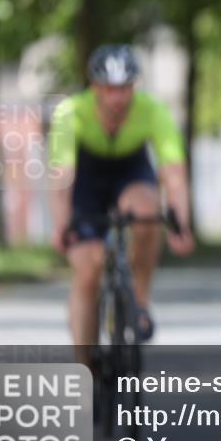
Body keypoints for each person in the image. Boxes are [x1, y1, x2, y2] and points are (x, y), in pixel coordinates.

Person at [48, 44, 194, 360]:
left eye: (124, 89)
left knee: (146, 212)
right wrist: (61, 222)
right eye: (109, 89)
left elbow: (173, 171)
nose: (117, 98)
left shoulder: (153, 110)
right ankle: (85, 366)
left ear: (134, 87)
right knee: (87, 271)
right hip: (86, 180)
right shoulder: (70, 112)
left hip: (130, 172)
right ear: (94, 87)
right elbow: (61, 175)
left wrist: (180, 221)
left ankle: (139, 303)